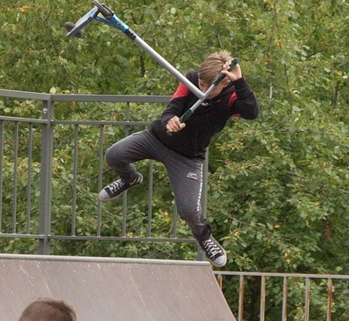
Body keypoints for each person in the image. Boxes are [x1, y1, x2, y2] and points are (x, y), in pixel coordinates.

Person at [98, 51, 259, 268]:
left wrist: (239, 81)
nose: (201, 89)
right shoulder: (190, 79)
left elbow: (252, 112)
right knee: (114, 155)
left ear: (222, 85)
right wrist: (170, 121)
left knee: (189, 211)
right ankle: (130, 179)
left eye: (207, 87)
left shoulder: (231, 97)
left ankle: (204, 237)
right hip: (156, 139)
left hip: (187, 158)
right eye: (200, 83)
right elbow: (171, 109)